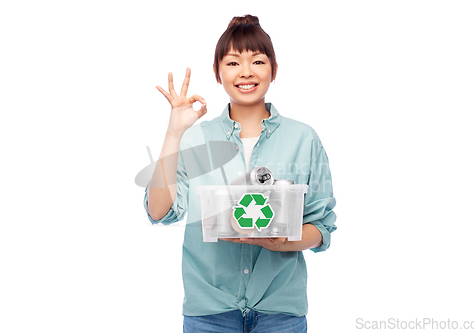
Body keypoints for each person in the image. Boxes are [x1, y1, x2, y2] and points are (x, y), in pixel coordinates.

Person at [144, 14, 336, 333]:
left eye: (257, 61)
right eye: (233, 63)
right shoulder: (195, 137)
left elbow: (322, 226)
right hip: (209, 314)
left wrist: (281, 243)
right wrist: (174, 133)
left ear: (273, 69)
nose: (246, 72)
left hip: (280, 313)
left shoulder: (303, 139)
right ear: (218, 73)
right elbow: (158, 212)